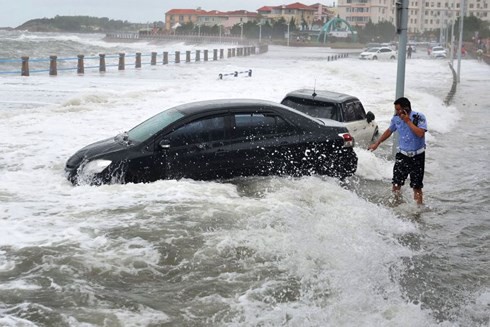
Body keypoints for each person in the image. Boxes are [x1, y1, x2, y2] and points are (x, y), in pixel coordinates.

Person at [368, 97, 428, 205]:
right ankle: (396, 204)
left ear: (406, 109)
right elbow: (389, 131)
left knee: (417, 186)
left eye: (398, 109)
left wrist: (408, 121)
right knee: (396, 183)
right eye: (396, 109)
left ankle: (418, 210)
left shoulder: (419, 117)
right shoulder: (396, 118)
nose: (397, 112)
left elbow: (420, 133)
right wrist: (377, 143)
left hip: (417, 156)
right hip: (402, 155)